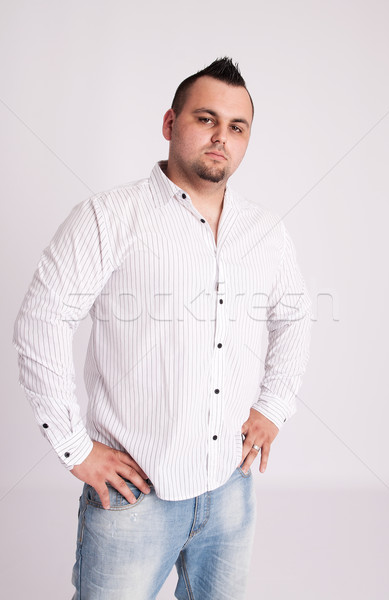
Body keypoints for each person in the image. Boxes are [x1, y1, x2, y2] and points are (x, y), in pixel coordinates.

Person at [13, 57, 312, 599]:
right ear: (170, 123)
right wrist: (75, 448)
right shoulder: (109, 217)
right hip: (134, 497)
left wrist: (274, 404)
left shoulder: (266, 233)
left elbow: (293, 316)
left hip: (230, 490)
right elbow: (41, 322)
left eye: (237, 127)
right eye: (206, 119)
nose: (221, 137)